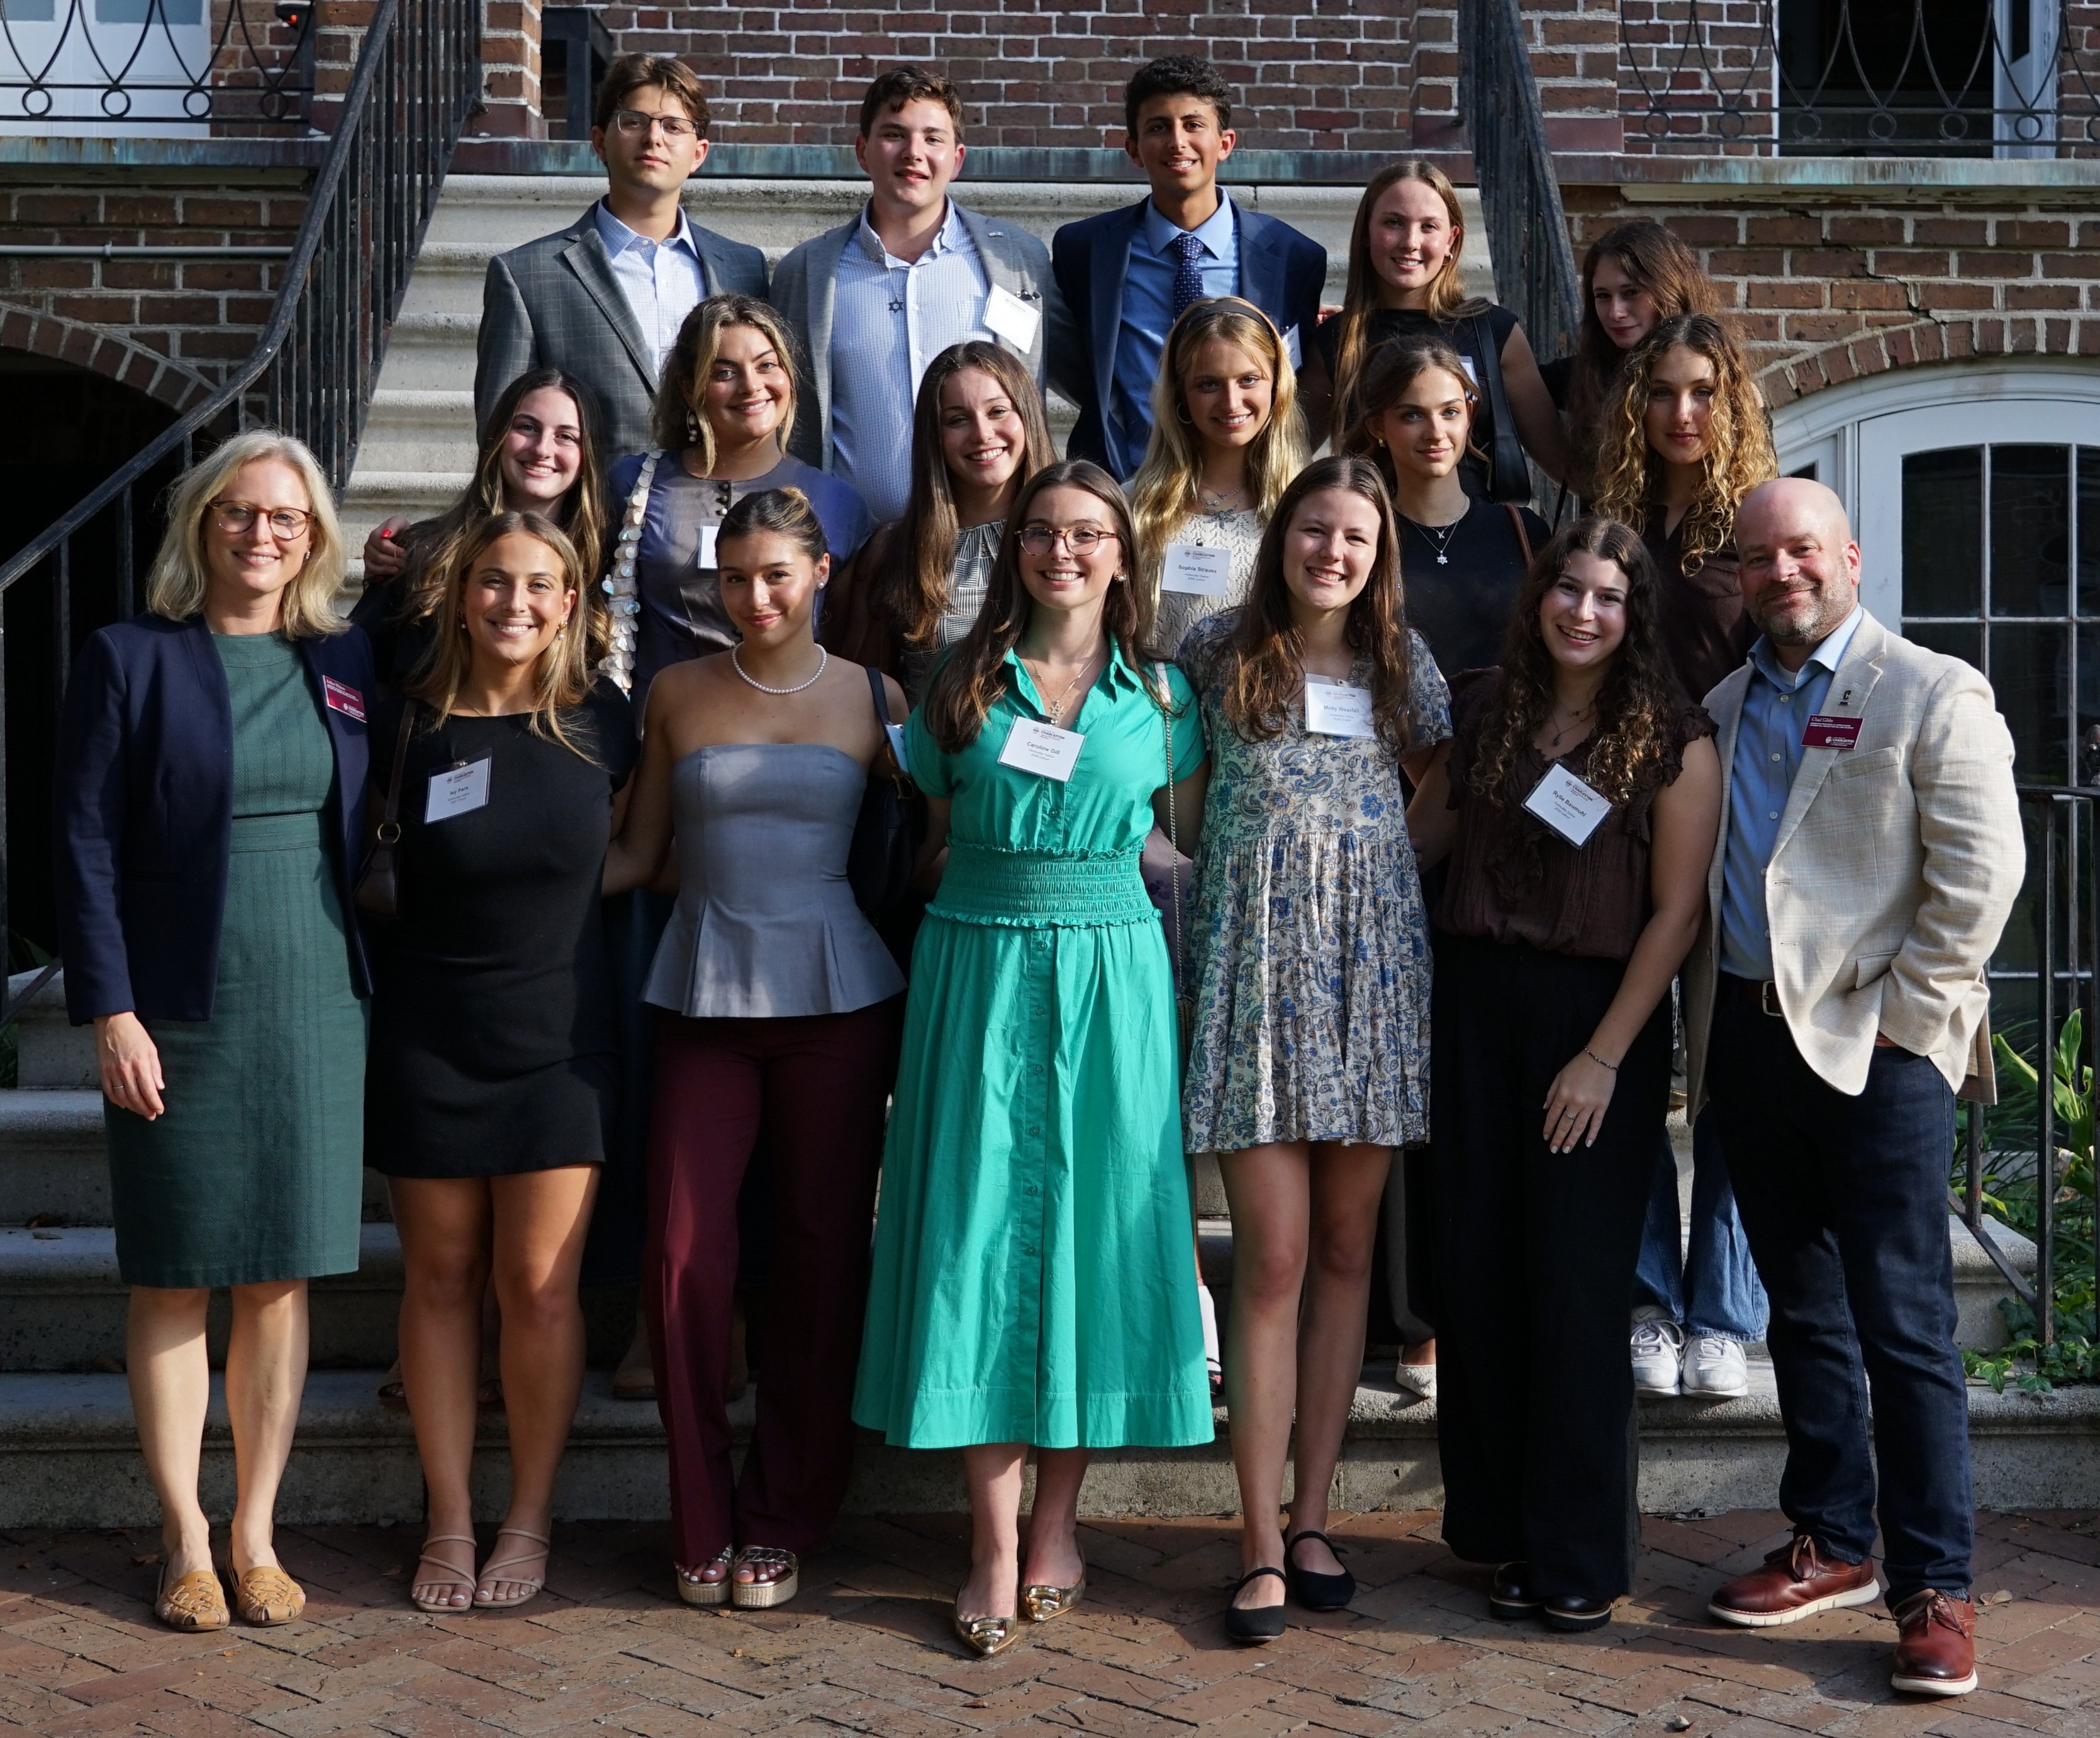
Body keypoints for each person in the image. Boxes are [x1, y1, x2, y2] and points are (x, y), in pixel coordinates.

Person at [852, 461, 1212, 1657]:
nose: (1062, 550)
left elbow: (1184, 840)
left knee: (1088, 1243)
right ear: (1016, 551)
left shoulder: (1162, 696)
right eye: (1042, 532)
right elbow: (937, 830)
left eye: (1086, 534)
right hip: (978, 967)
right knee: (975, 1233)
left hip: (1113, 977)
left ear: (1122, 552)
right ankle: (991, 1541)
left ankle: (1059, 1521)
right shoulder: (958, 684)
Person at [1687, 478, 2022, 1700]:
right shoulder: (1721, 704)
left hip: (1879, 1054)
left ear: (1849, 556)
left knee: (1906, 1325)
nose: (1783, 573)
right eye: (1761, 557)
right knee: (1803, 1311)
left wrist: (1908, 1030)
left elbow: (1980, 875)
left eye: (1803, 551)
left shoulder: (1930, 689)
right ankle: (1834, 1539)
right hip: (1751, 1046)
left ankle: (1936, 1584)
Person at [55, 430, 372, 1633]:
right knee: (178, 1270)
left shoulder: (341, 658)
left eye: (286, 518)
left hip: (313, 991)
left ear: (314, 537)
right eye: (240, 512)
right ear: (201, 524)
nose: (261, 534)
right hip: (177, 997)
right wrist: (111, 1007)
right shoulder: (129, 657)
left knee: (281, 1272)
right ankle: (185, 1533)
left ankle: (257, 1532)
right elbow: (82, 841)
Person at [1407, 516, 1721, 1632]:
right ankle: (1498, 1527)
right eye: (1567, 590)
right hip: (1473, 1009)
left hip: (1594, 1025)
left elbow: (1677, 913)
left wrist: (1601, 1057)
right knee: (1481, 1273)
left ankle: (1579, 1549)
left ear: (1633, 617)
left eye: (1607, 597)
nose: (1582, 612)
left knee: (1578, 1290)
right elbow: (1418, 842)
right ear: (1538, 595)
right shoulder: (1485, 707)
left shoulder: (1670, 738)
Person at [605, 487, 907, 1610]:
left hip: (839, 1002)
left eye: (776, 573)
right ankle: (701, 1517)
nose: (754, 596)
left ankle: (781, 1518)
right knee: (683, 1257)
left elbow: (940, 829)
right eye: (734, 577)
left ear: (820, 572)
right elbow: (636, 854)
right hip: (701, 1001)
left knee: (821, 1260)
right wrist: (487, 903)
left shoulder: (874, 697)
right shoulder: (675, 693)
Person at [1175, 456, 1449, 1644]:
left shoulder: (1401, 661)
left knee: (1346, 1249)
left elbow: (1439, 774)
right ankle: (1250, 1540)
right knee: (1272, 1258)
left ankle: (1313, 1515)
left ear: (1378, 549)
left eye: (1354, 535)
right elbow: (1162, 780)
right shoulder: (1219, 650)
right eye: (1313, 529)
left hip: (1369, 969)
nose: (1331, 551)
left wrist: (1388, 855)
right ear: (1280, 534)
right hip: (1256, 973)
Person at [364, 512, 636, 1615]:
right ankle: (448, 1518)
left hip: (560, 1043)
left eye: (538, 584)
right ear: (459, 594)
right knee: (437, 1280)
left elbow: (644, 851)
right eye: (491, 582)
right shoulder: (407, 722)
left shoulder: (604, 722)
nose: (513, 603)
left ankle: (527, 1511)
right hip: (431, 1031)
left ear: (570, 602)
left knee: (537, 1286)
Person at [1592, 310, 1778, 1398]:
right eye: (1660, 391)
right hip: (1610, 829)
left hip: (1729, 826)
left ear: (1730, 400)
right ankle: (1648, 1297)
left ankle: (1723, 1308)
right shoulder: (1610, 517)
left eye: (1701, 391)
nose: (1679, 412)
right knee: (1625, 1073)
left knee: (1725, 1078)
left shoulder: (1747, 525)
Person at [768, 65, 1070, 524]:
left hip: (991, 543)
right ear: (862, 151)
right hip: (856, 551)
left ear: (958, 157)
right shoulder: (807, 273)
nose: (914, 153)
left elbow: (1078, 376)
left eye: (933, 138)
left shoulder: (1017, 262)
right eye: (894, 134)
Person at [476, 55, 768, 463]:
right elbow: (501, 436)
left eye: (673, 126)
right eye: (633, 121)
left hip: (719, 514)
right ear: (600, 142)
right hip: (588, 520)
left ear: (699, 153)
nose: (654, 138)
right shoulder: (528, 276)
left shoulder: (743, 268)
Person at [1050, 57, 1327, 481]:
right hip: (1126, 484)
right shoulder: (1085, 250)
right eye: (1158, 127)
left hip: (1245, 488)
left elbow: (1294, 375)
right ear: (1134, 149)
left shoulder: (1293, 257)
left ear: (1226, 143)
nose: (1177, 142)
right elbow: (1079, 364)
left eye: (1193, 125)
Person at [604, 294, 874, 707]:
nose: (752, 386)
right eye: (724, 372)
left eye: (767, 365)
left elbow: (855, 638)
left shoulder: (839, 503)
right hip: (662, 733)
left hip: (797, 729)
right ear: (688, 388)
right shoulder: (634, 486)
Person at [820, 340, 1056, 701]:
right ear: (935, 436)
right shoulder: (895, 550)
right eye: (958, 419)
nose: (982, 434)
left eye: (997, 412)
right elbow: (865, 698)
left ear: (1027, 416)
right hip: (933, 754)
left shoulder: (1074, 538)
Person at [352, 368, 611, 693]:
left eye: (566, 436)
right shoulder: (420, 553)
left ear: (587, 455)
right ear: (498, 437)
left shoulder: (609, 567)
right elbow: (355, 666)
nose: (543, 449)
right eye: (527, 427)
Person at [1319, 160, 1565, 500]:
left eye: (1428, 227)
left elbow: (1562, 462)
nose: (1410, 241)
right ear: (1366, 233)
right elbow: (1285, 454)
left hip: (1478, 538)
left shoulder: (1493, 332)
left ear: (1452, 239)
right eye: (1394, 223)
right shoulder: (1337, 337)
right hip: (1372, 541)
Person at [1348, 335, 1550, 679]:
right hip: (1397, 730)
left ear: (1469, 416)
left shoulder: (1524, 531)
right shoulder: (1360, 540)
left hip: (1505, 729)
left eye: (1450, 412)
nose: (1436, 432)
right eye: (1412, 415)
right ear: (1378, 426)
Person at [1130, 296, 1307, 654]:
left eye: (1248, 380)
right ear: (1180, 394)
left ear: (1277, 387)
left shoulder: (1307, 506)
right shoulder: (1131, 506)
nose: (1230, 402)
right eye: (1209, 384)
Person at [1543, 219, 1719, 498]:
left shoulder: (1721, 374)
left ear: (1669, 289)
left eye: (1631, 293)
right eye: (1603, 296)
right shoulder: (1584, 375)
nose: (1616, 312)